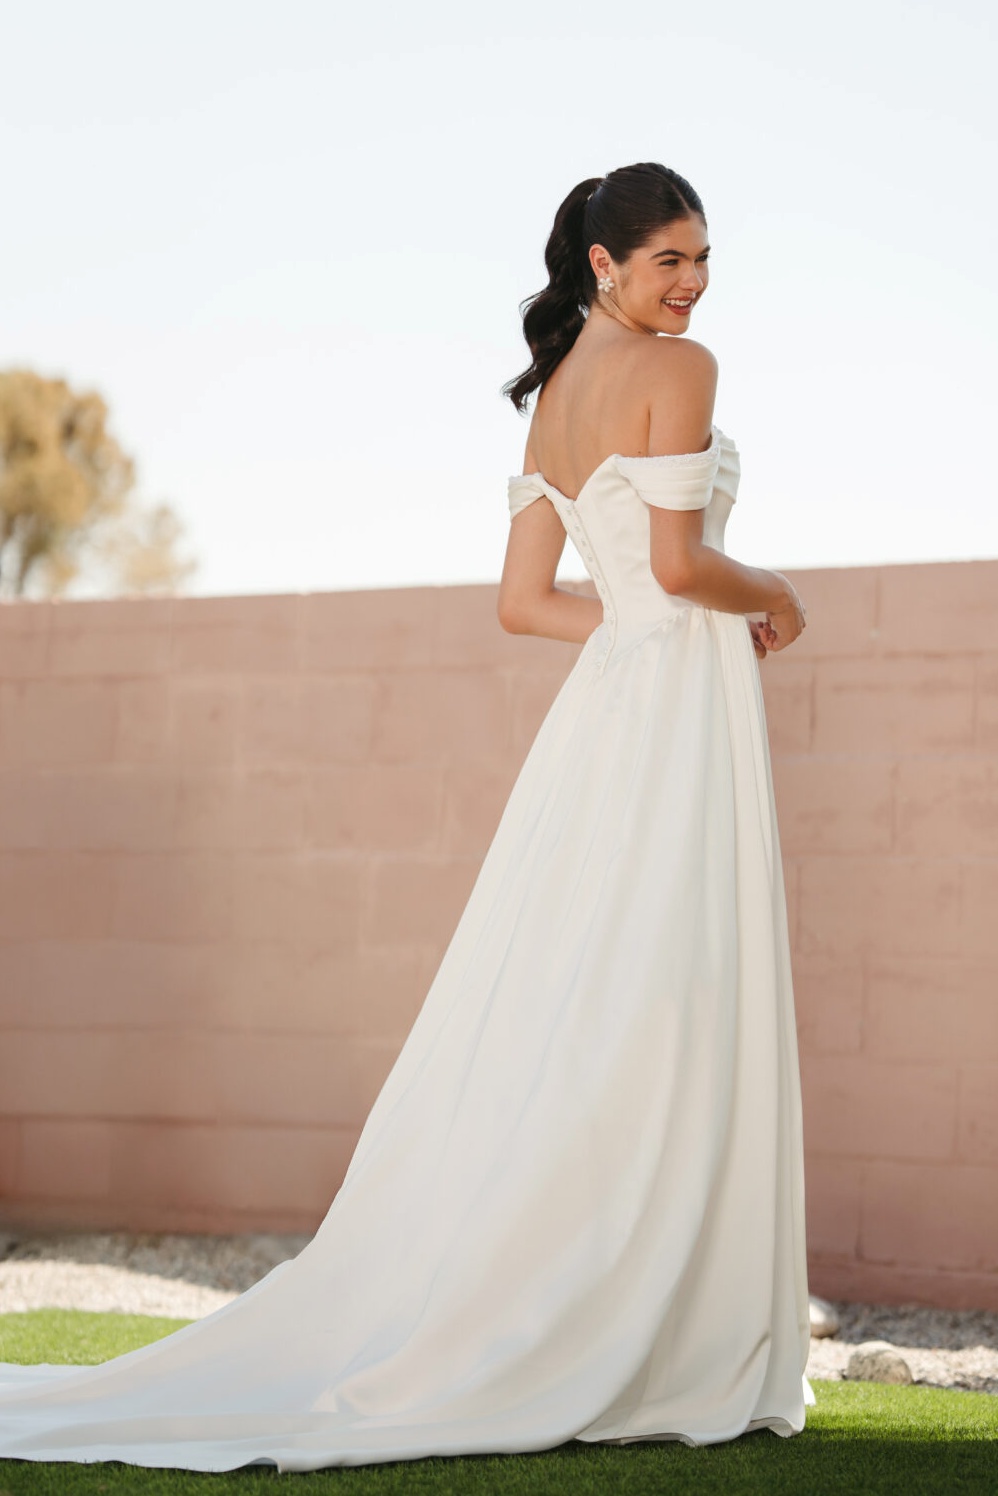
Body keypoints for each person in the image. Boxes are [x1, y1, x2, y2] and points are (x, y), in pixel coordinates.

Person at [0, 161, 813, 1474]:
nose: (694, 283)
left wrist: (642, 633)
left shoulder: (555, 396)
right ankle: (657, 1327)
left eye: (705, 258)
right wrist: (771, 596)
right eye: (670, 259)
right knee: (666, 986)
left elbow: (527, 603)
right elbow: (677, 563)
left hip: (615, 706)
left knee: (596, 993)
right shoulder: (684, 368)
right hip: (670, 711)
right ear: (604, 264)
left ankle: (607, 1302)